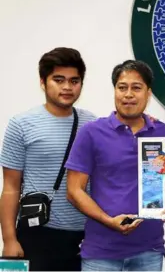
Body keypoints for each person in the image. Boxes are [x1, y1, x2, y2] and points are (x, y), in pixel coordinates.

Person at [65, 60, 165, 271]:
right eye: (122, 87)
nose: (128, 94)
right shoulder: (91, 133)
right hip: (101, 253)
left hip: (149, 251)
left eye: (136, 88)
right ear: (115, 91)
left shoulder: (164, 134)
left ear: (148, 93)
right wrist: (108, 220)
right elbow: (73, 191)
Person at [0, 47, 96, 271]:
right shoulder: (21, 124)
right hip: (37, 233)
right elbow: (11, 187)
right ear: (43, 82)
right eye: (58, 80)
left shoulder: (92, 124)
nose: (67, 87)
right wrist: (9, 239)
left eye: (74, 81)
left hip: (86, 235)